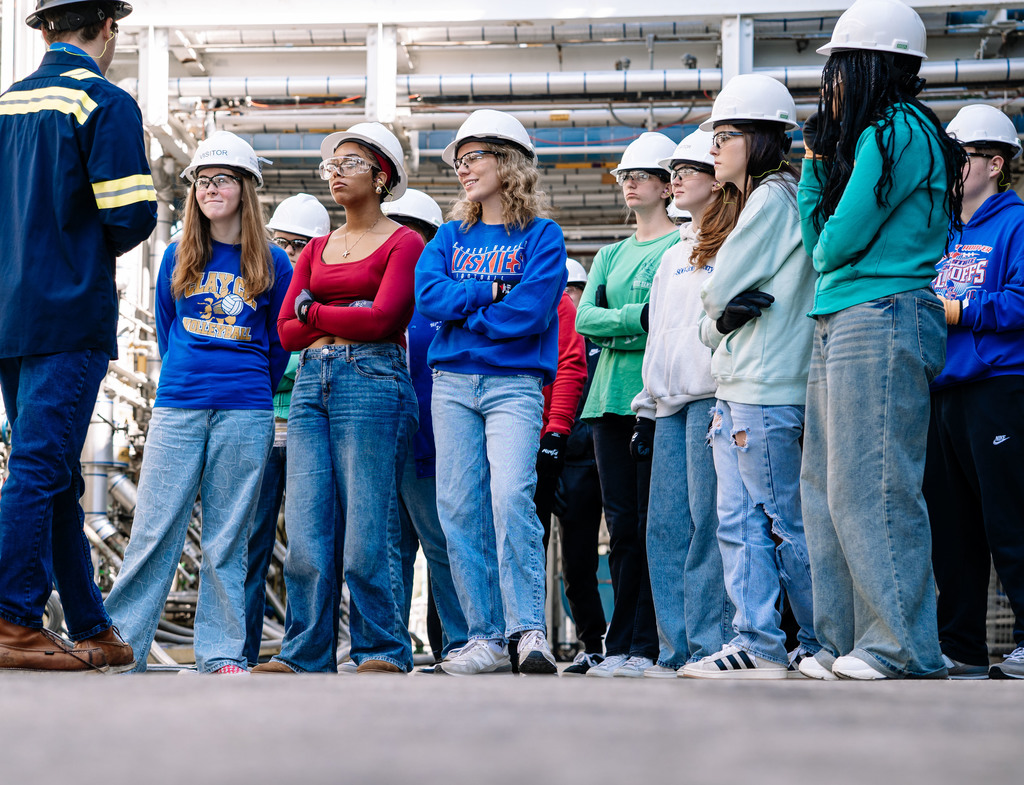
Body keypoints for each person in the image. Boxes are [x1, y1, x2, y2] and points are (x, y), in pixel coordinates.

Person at [797, 0, 965, 680]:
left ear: (866, 64)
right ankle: (843, 641)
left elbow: (836, 241)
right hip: (843, 313)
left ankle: (901, 644)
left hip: (881, 311)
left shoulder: (897, 130)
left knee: (874, 484)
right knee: (827, 487)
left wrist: (822, 201)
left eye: (837, 68)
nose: (830, 84)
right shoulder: (875, 136)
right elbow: (820, 251)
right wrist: (813, 164)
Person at [0, 0, 156, 673]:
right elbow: (131, 215)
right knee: (41, 465)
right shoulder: (103, 101)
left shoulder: (5, 106)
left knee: (55, 469)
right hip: (67, 311)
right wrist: (83, 254)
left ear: (44, 29)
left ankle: (92, 626)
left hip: (7, 314)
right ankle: (13, 616)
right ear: (108, 27)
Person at [105, 131, 293, 674]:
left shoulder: (273, 262)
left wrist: (248, 382)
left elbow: (278, 343)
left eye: (222, 180)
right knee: (154, 528)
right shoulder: (175, 255)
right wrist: (194, 373)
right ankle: (124, 647)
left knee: (228, 536)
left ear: (245, 188)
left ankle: (220, 653)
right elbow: (169, 332)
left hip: (245, 409)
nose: (211, 189)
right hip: (180, 405)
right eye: (203, 181)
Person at [260, 123, 422, 675]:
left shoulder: (405, 243)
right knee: (306, 529)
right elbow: (285, 330)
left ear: (382, 177)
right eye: (332, 165)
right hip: (311, 381)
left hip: (373, 381)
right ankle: (304, 652)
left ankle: (382, 649)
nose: (335, 173)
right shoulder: (320, 246)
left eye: (349, 164)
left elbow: (385, 319)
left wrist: (317, 311)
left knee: (368, 530)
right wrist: (339, 313)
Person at [415, 109, 566, 676]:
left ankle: (527, 632)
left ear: (508, 162)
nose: (462, 168)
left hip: (513, 385)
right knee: (458, 508)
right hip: (451, 383)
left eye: (473, 156)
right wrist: (491, 293)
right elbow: (428, 295)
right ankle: (482, 637)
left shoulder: (542, 236)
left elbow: (530, 312)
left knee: (510, 499)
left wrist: (468, 311)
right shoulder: (450, 236)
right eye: (458, 159)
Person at [684, 74, 819, 680]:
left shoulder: (772, 198)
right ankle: (761, 641)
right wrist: (720, 320)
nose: (714, 145)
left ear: (763, 139)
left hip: (764, 388)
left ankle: (812, 641)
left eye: (728, 133)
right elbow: (715, 320)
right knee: (745, 523)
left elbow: (716, 294)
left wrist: (719, 316)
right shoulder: (763, 200)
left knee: (778, 522)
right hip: (742, 386)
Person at [631, 130, 737, 678]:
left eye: (688, 167)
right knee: (665, 531)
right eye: (672, 168)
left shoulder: (733, 245)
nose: (675, 177)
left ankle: (709, 644)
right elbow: (659, 337)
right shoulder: (673, 254)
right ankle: (676, 652)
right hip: (668, 407)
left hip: (712, 398)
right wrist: (646, 404)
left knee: (708, 525)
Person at [924, 104, 1024, 681]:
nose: (951, 169)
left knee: (1009, 517)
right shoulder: (943, 232)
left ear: (995, 162)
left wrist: (960, 309)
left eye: (960, 158)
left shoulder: (1015, 224)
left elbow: (1020, 301)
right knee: (953, 528)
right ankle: (959, 644)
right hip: (943, 390)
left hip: (998, 388)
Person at [575, 132, 680, 678]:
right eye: (624, 176)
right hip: (607, 404)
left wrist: (626, 323)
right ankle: (621, 647)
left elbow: (669, 320)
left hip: (656, 400)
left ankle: (648, 645)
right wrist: (634, 320)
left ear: (667, 186)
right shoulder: (611, 253)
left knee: (652, 526)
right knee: (619, 527)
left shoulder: (679, 248)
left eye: (640, 175)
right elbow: (582, 320)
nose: (629, 183)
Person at [380, 189, 469, 663]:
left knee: (442, 547)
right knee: (389, 554)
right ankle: (390, 648)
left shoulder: (438, 303)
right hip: (381, 445)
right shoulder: (375, 298)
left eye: (410, 231)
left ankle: (459, 643)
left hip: (431, 450)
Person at [243, 193, 331, 668]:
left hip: (307, 431)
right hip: (260, 429)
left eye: (299, 245)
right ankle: (235, 651)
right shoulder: (257, 288)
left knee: (307, 547)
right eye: (281, 242)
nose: (289, 254)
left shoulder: (328, 292)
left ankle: (303, 653)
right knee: (249, 546)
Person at [557, 260, 611, 676]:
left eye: (578, 289)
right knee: (573, 565)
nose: (572, 297)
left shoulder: (597, 335)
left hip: (599, 459)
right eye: (567, 289)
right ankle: (589, 641)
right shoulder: (551, 333)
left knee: (614, 552)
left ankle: (611, 641)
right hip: (561, 460)